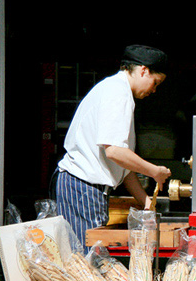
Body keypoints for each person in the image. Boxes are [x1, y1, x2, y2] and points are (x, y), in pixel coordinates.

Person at [54, 45, 172, 246]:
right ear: (143, 70)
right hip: (83, 187)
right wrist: (155, 171)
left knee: (90, 259)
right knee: (88, 262)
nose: (154, 89)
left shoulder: (114, 88)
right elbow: (115, 151)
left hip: (84, 187)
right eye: (155, 82)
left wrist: (146, 202)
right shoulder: (118, 93)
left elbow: (124, 166)